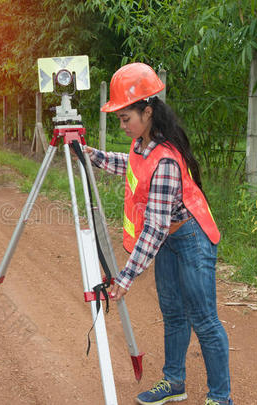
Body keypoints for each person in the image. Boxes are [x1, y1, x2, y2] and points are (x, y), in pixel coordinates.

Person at [84, 63, 233, 405]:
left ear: (147, 112)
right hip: (168, 240)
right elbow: (132, 165)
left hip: (190, 239)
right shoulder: (142, 144)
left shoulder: (164, 159)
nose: (122, 126)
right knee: (173, 314)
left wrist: (125, 277)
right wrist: (94, 156)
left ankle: (220, 398)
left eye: (126, 118)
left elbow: (155, 226)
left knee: (204, 319)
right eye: (119, 119)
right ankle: (174, 382)